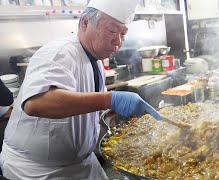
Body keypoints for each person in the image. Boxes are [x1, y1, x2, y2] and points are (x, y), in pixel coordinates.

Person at [0, 0, 161, 179]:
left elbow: (83, 111)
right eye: (112, 31)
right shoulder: (59, 52)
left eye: (123, 33)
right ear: (85, 23)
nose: (118, 41)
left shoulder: (95, 59)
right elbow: (35, 103)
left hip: (81, 163)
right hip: (37, 170)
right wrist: (110, 99)